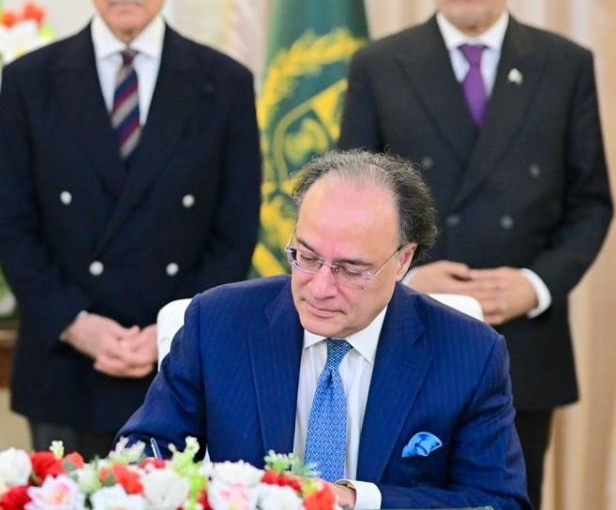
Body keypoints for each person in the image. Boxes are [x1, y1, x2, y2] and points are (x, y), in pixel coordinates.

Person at [338, 0, 612, 507]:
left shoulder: (565, 65)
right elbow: (351, 202)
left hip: (522, 340)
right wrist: (408, 279)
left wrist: (535, 285)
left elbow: (592, 202)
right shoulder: (380, 65)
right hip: (406, 331)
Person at [0, 0, 261, 457]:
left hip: (179, 362)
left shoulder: (224, 83)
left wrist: (172, 329)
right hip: (65, 365)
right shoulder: (30, 81)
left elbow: (234, 234)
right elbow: (14, 228)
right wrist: (76, 324)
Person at [120, 150, 529, 509]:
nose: (319, 288)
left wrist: (355, 500)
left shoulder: (469, 354)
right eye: (306, 257)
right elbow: (142, 456)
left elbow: (497, 502)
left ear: (403, 261)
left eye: (350, 269)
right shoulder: (217, 322)